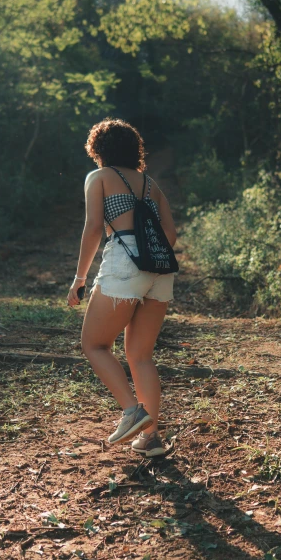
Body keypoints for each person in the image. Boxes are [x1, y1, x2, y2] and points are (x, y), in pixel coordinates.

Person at [67, 118, 177, 458]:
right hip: (160, 269)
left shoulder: (98, 178)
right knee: (141, 356)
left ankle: (132, 411)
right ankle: (151, 438)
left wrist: (80, 278)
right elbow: (171, 236)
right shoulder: (151, 184)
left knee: (94, 344)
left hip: (125, 265)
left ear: (98, 150)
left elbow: (94, 228)